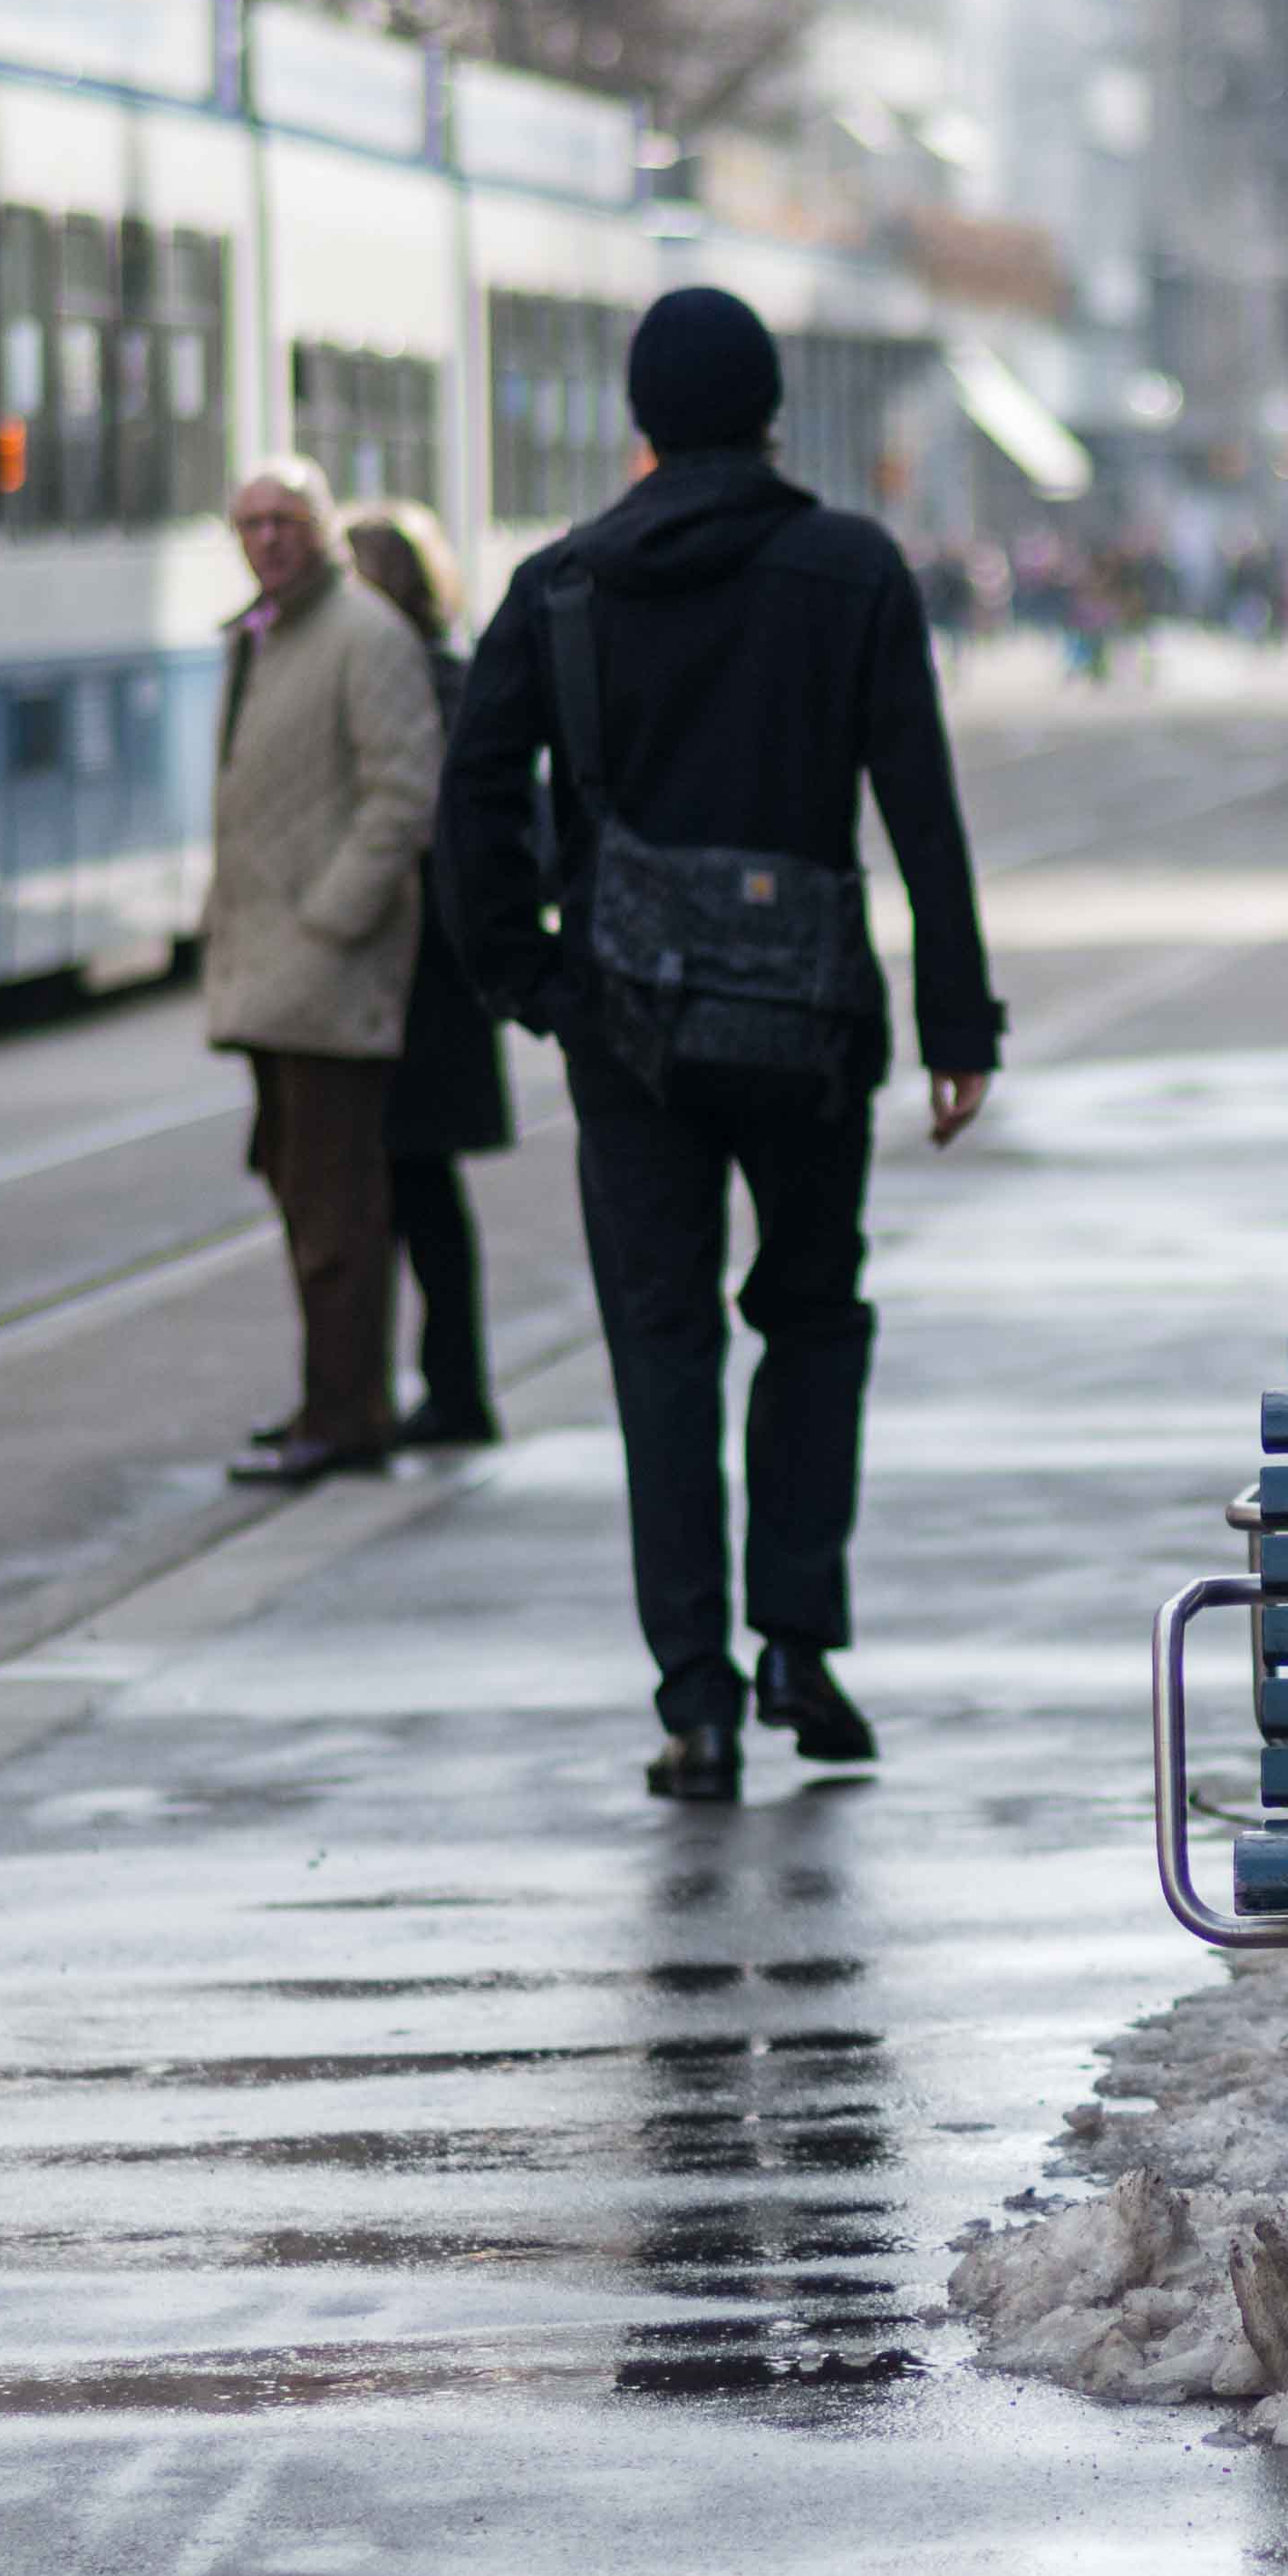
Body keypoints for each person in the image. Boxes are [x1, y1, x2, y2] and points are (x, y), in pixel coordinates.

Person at [432, 285, 1002, 1803]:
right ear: (770, 415)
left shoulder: (561, 589)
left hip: (628, 1032)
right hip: (813, 1023)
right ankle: (801, 1643)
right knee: (814, 1314)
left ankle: (694, 1699)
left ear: (641, 421)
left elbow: (469, 801)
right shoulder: (853, 570)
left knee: (663, 1343)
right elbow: (920, 809)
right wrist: (960, 1020)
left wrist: (530, 982)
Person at [202, 462, 449, 1487]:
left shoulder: (364, 636)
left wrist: (330, 918)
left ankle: (347, 1415)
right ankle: (330, 1399)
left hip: (327, 974)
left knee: (337, 1211)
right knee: (304, 1197)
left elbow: (404, 793)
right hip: (268, 972)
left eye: (285, 521)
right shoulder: (260, 635)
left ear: (321, 530)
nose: (267, 539)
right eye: (251, 522)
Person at [344, 499, 516, 1451]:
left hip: (419, 972)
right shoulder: (445, 679)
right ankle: (440, 1390)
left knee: (409, 1190)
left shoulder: (425, 687)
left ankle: (444, 1393)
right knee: (410, 1190)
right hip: (429, 971)